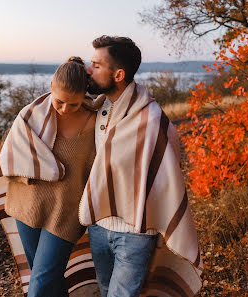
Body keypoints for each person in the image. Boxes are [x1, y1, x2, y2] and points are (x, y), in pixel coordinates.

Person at [78, 36, 203, 297]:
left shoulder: (152, 118)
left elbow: (167, 174)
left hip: (134, 232)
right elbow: (58, 97)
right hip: (99, 225)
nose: (89, 70)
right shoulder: (98, 107)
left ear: (119, 74)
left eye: (96, 65)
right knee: (103, 291)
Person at [0, 57, 97, 297]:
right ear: (50, 86)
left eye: (74, 104)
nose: (65, 109)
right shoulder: (31, 116)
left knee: (41, 280)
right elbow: (11, 158)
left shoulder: (96, 121)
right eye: (60, 101)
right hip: (27, 204)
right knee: (48, 277)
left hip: (65, 214)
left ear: (84, 96)